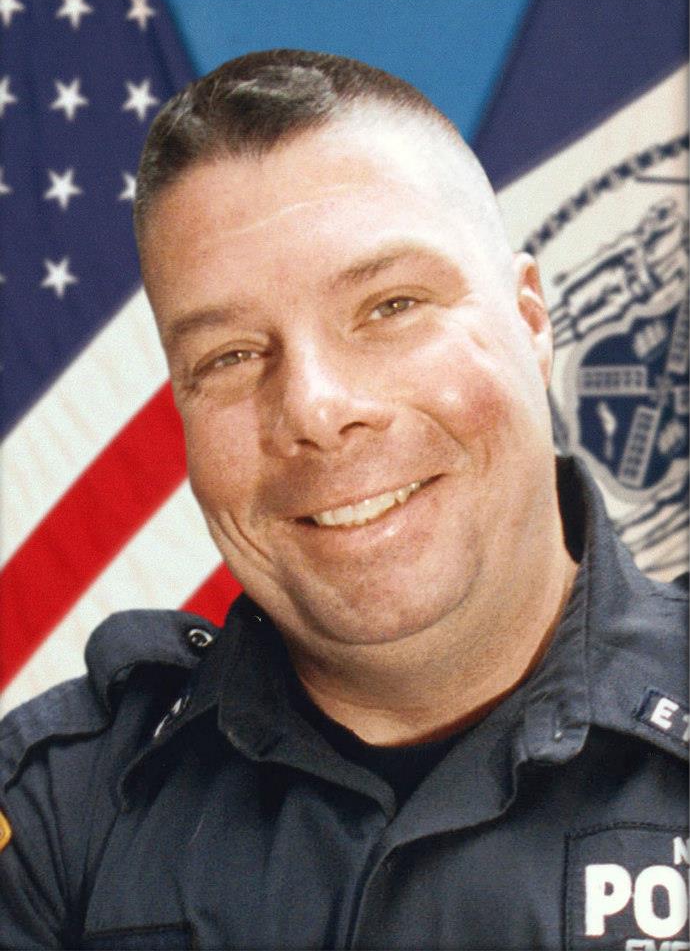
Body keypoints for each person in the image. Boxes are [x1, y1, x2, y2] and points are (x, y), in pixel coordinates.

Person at [0, 50, 687, 951]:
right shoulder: (56, 810)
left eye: (391, 305)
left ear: (531, 320)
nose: (316, 410)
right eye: (231, 357)